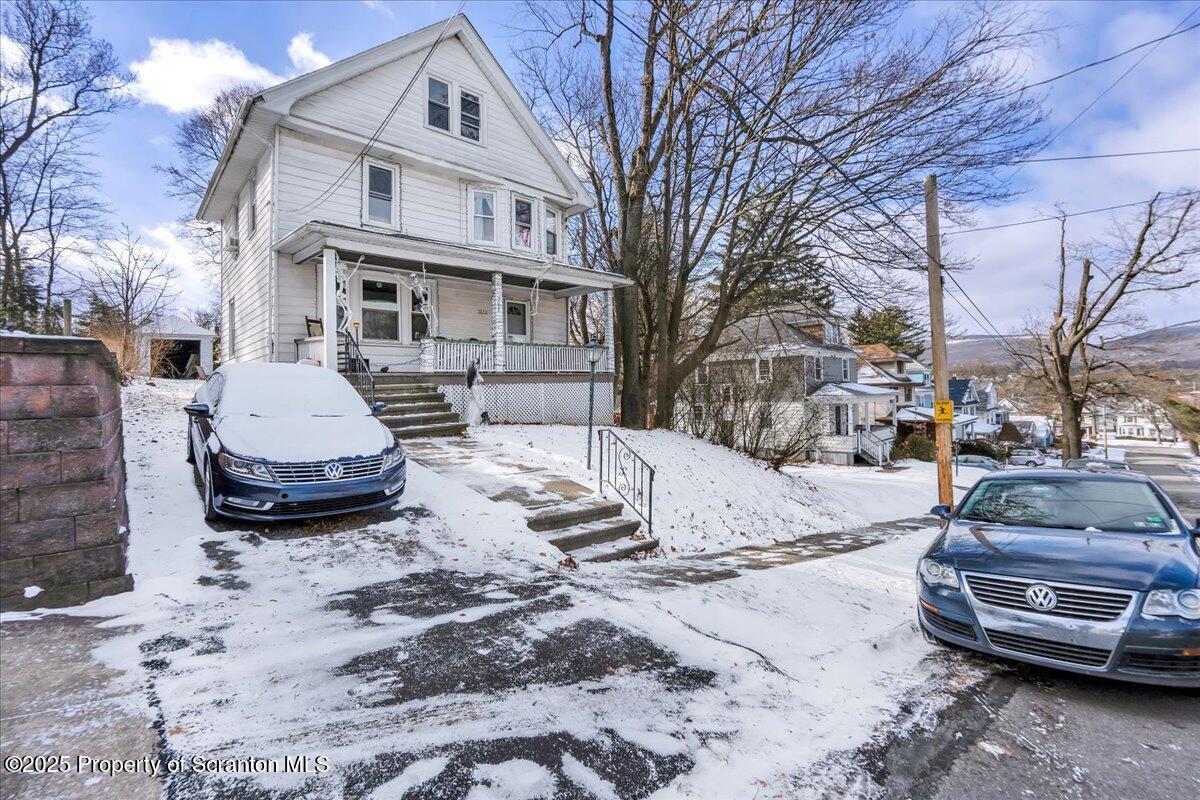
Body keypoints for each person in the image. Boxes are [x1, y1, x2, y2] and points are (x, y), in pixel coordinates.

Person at [465, 358, 488, 426]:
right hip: (475, 387)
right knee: (476, 402)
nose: (478, 365)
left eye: (478, 364)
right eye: (476, 364)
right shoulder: (471, 373)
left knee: (478, 401)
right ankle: (472, 422)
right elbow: (471, 382)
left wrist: (479, 381)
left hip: (478, 387)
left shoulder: (476, 371)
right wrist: (477, 381)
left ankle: (478, 421)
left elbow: (481, 379)